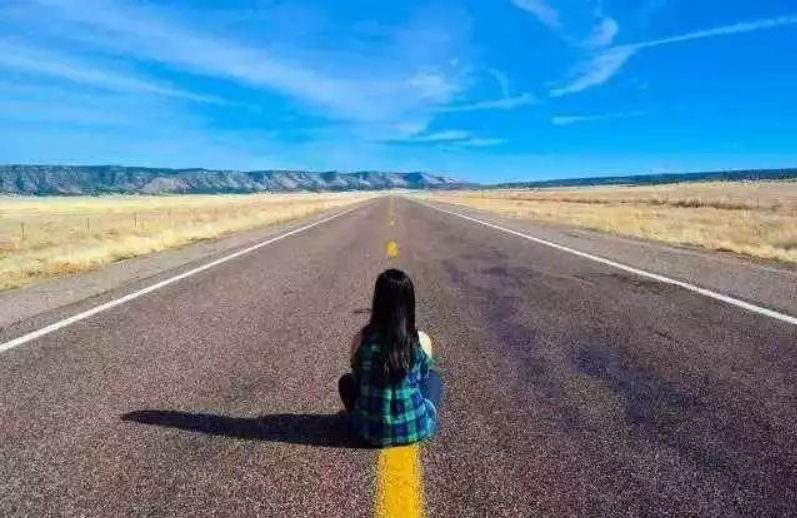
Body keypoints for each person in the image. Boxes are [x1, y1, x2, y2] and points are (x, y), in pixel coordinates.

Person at [338, 269, 442, 447]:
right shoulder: (420, 340)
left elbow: (358, 376)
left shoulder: (361, 339)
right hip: (415, 430)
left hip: (367, 433)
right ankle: (415, 414)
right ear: (410, 303)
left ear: (377, 301)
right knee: (433, 378)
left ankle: (365, 416)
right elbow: (422, 377)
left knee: (346, 381)